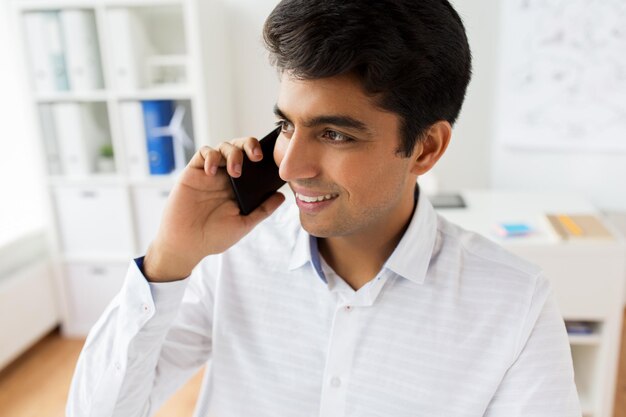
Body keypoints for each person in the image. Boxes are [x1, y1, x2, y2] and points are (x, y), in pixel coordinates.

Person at [67, 1, 581, 416]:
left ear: (425, 149)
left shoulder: (514, 301)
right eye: (287, 125)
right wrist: (167, 262)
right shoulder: (230, 258)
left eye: (334, 133)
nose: (289, 167)